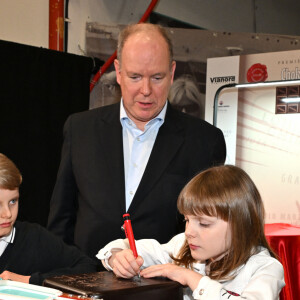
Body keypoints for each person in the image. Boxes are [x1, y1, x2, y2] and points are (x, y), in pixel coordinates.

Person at [47, 23, 226, 261]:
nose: (146, 90)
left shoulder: (205, 142)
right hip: (85, 284)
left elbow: (212, 233)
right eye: (135, 76)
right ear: (118, 72)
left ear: (172, 73)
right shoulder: (80, 129)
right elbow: (61, 220)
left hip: (163, 289)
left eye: (157, 77)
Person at [97, 165, 285, 300]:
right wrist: (117, 258)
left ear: (241, 224)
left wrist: (192, 279)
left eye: (203, 223)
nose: (189, 232)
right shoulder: (182, 246)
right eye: (187, 220)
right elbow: (122, 246)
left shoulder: (265, 268)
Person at [0, 153, 98, 285]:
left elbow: (87, 268)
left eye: (13, 201)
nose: (7, 213)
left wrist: (31, 280)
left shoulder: (33, 237)